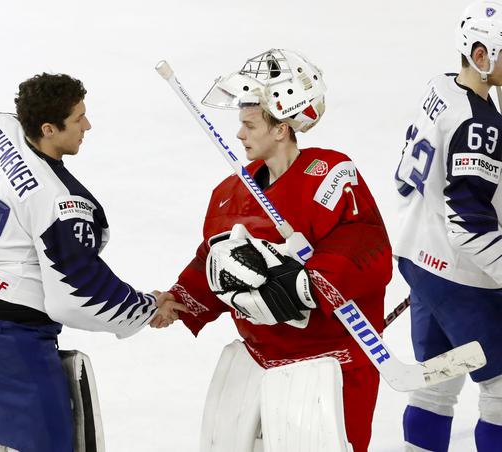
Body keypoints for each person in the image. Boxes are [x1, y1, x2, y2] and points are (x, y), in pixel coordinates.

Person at [154, 49, 393, 451]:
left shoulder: (331, 176)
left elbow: (365, 244)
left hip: (332, 362)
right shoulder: (231, 192)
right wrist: (180, 299)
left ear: (281, 129)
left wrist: (306, 286)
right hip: (260, 359)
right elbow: (212, 259)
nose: (240, 135)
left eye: (250, 125)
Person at [0, 72, 184, 452]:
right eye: (78, 119)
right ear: (48, 128)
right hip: (8, 341)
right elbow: (76, 295)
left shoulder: (0, 128)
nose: (87, 125)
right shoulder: (60, 203)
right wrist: (147, 308)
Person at [393, 2, 502, 450]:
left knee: (437, 382)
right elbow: (470, 227)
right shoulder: (481, 126)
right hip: (460, 275)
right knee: (501, 391)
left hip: (420, 254)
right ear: (481, 56)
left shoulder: (440, 86)